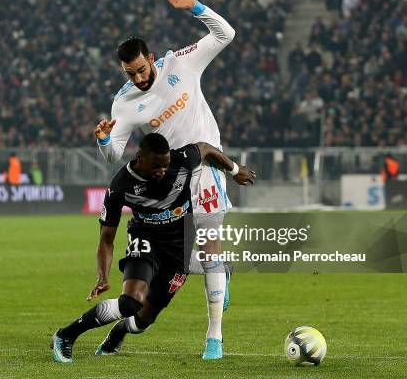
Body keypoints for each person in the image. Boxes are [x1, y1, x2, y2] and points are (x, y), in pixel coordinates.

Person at [94, 0, 241, 359]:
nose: (139, 78)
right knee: (177, 264)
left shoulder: (182, 62)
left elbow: (226, 33)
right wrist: (104, 141)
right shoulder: (124, 103)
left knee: (209, 246)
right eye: (131, 73)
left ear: (152, 58)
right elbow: (114, 158)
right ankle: (219, 272)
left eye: (142, 69)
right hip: (168, 181)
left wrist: (196, 7)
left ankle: (214, 339)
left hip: (206, 165)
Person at [51, 133, 255, 363]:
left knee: (143, 320)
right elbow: (106, 238)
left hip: (179, 245)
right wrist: (103, 277)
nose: (161, 171)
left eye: (165, 165)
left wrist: (235, 170)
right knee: (130, 302)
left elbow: (206, 148)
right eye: (156, 166)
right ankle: (65, 335)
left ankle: (119, 331)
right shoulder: (121, 187)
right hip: (145, 238)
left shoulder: (181, 160)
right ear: (140, 157)